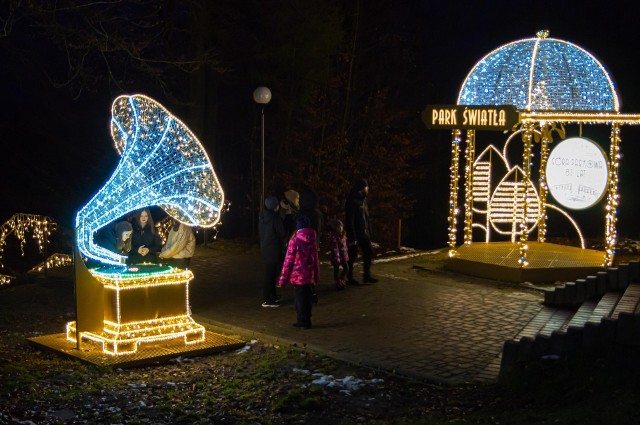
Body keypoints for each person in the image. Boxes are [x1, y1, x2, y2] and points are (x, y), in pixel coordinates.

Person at [278, 215, 319, 329]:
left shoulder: (295, 241)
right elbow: (315, 259)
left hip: (298, 276)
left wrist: (283, 280)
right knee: (307, 298)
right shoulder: (312, 239)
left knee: (299, 300)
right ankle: (306, 319)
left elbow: (288, 261)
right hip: (309, 275)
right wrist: (316, 275)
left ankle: (302, 321)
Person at [345, 178, 378, 284]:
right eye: (366, 187)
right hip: (356, 233)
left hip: (364, 232)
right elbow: (349, 219)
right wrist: (352, 235)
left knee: (368, 251)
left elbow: (366, 217)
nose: (368, 189)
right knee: (352, 256)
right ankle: (349, 277)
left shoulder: (364, 200)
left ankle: (367, 275)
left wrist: (369, 230)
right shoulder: (352, 200)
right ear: (362, 188)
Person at [259, 196, 286, 307]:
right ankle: (267, 299)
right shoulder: (275, 218)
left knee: (270, 273)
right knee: (271, 274)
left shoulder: (262, 217)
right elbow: (282, 233)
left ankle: (272, 296)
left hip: (266, 247)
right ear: (275, 206)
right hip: (274, 248)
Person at [327, 218, 349, 290]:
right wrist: (336, 257)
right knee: (336, 269)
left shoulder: (343, 235)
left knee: (346, 267)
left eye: (342, 226)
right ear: (336, 228)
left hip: (343, 256)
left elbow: (344, 246)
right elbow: (335, 248)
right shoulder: (334, 237)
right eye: (340, 227)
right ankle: (338, 282)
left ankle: (342, 279)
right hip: (336, 257)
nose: (341, 228)